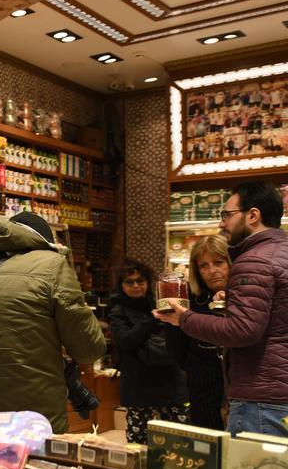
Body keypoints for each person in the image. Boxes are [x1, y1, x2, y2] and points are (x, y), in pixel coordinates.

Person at [0, 212, 105, 432]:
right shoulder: (52, 265)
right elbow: (89, 349)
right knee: (34, 466)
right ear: (43, 242)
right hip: (34, 415)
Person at [156, 182, 288, 437]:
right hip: (276, 392)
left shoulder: (254, 259)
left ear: (252, 215)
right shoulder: (280, 252)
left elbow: (242, 331)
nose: (221, 223)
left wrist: (184, 319)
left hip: (260, 396)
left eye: (227, 215)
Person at [108, 260, 188, 444]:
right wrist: (151, 320)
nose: (136, 286)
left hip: (171, 380)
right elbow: (126, 341)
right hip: (139, 384)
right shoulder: (117, 310)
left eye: (140, 281)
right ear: (121, 285)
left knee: (179, 441)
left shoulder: (163, 302)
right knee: (138, 444)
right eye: (130, 282)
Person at [164, 236, 230, 430]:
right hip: (202, 381)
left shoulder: (247, 293)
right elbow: (175, 346)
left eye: (219, 262)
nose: (212, 271)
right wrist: (195, 368)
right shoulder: (188, 298)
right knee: (207, 442)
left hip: (242, 384)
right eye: (203, 265)